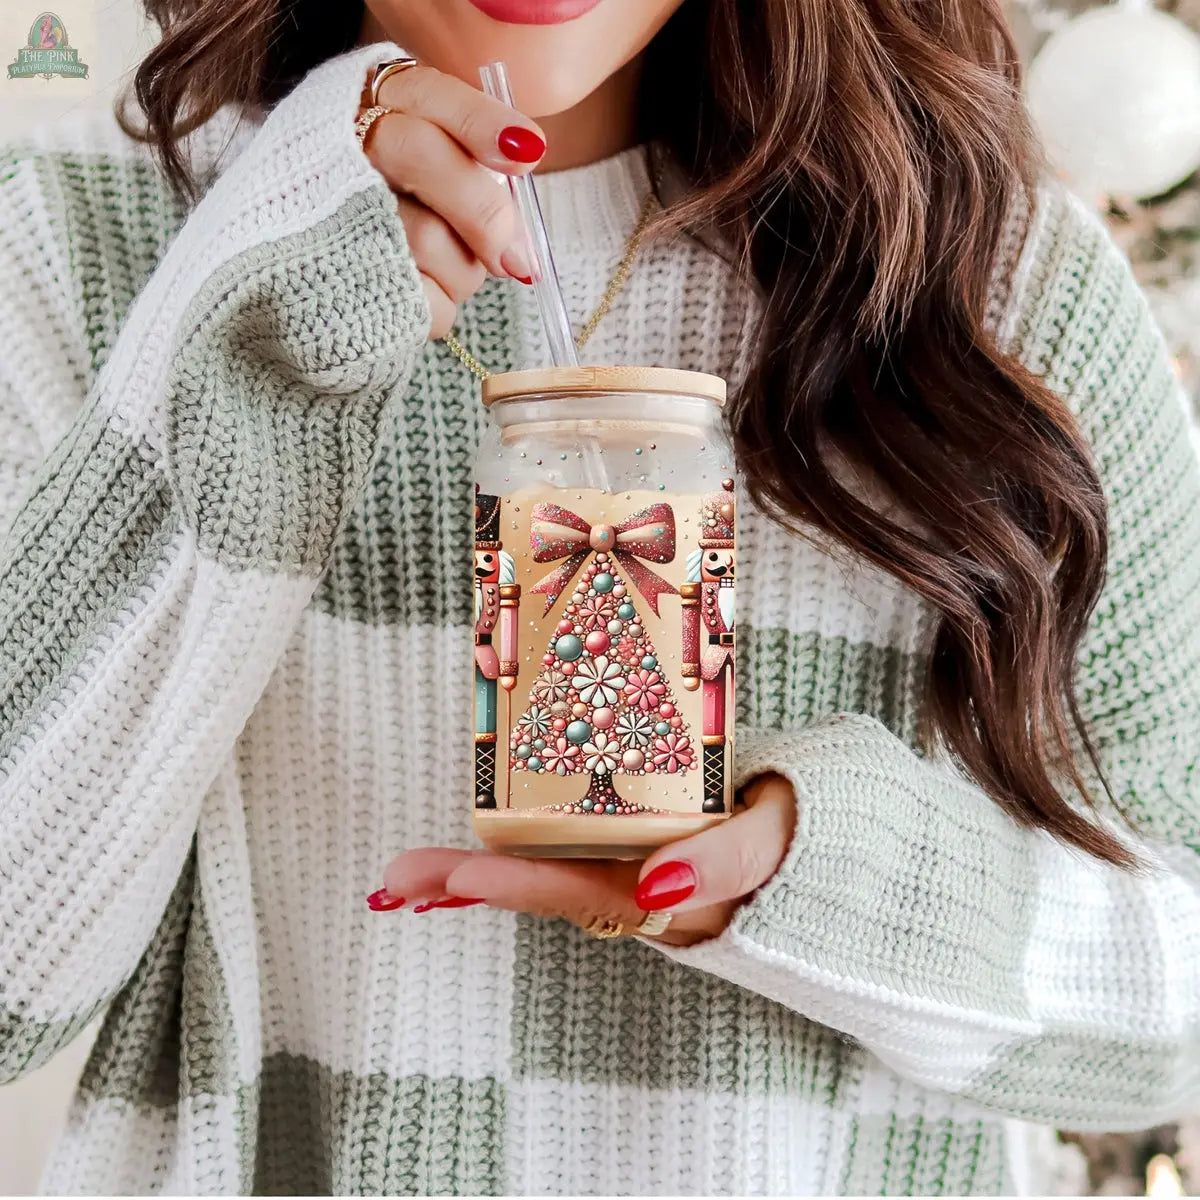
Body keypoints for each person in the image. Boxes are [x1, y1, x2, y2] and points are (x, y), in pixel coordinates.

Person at [0, 0, 1197, 1194]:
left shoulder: (983, 279)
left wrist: (830, 877)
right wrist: (222, 360)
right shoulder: (80, 234)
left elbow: (1178, 1016)